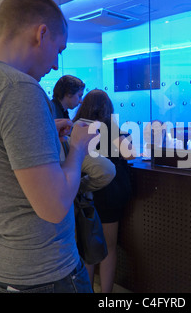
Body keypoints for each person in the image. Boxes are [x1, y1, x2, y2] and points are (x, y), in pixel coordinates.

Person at [0, 0, 98, 293]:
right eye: (58, 50)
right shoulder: (19, 88)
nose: (55, 66)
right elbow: (53, 207)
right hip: (42, 273)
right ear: (41, 34)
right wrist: (78, 146)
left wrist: (43, 131)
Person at [74, 89, 137, 293]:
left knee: (87, 247)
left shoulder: (78, 125)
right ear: (107, 107)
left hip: (85, 187)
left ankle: (87, 289)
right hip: (111, 189)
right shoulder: (110, 125)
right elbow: (130, 155)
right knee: (109, 248)